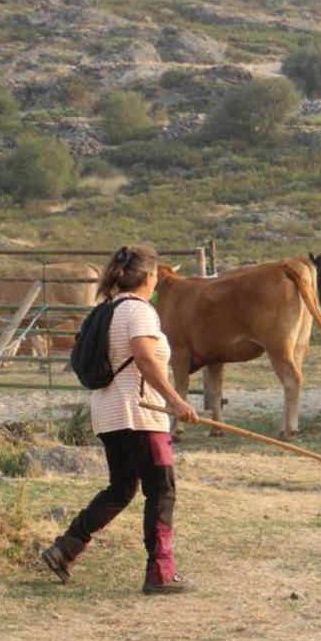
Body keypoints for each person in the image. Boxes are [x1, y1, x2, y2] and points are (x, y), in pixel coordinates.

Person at [41, 245, 200, 596]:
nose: (157, 280)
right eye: (156, 274)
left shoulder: (108, 310)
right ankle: (160, 572)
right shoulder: (140, 311)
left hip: (110, 415)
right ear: (147, 277)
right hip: (142, 414)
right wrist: (176, 402)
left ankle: (65, 549)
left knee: (120, 489)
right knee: (161, 490)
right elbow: (144, 358)